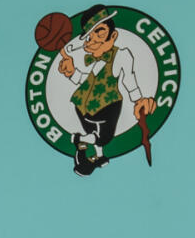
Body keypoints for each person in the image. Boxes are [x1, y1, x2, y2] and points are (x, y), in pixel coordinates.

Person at [55, 9, 154, 171]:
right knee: (99, 136)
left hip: (106, 105)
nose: (92, 40)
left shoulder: (121, 55)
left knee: (102, 136)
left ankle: (90, 149)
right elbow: (84, 80)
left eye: (99, 33)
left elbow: (129, 80)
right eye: (89, 36)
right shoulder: (93, 60)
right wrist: (71, 72)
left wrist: (138, 100)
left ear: (113, 36)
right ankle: (88, 147)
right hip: (82, 105)